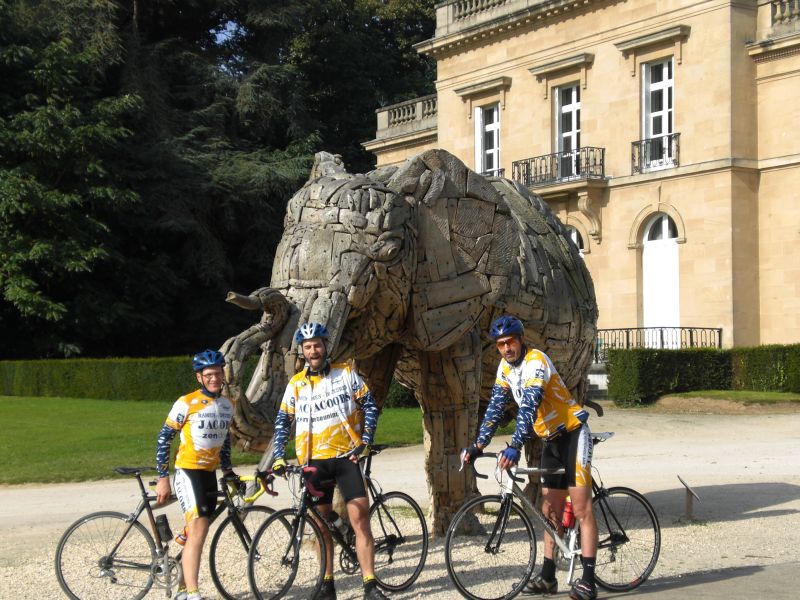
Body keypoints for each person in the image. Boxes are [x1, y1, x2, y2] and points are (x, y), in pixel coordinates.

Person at [462, 315, 599, 600]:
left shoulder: (536, 361)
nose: (506, 348)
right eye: (500, 344)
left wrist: (514, 445)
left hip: (573, 433)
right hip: (550, 439)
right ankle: (548, 577)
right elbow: (496, 408)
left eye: (510, 341)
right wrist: (477, 444)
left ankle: (588, 580)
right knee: (549, 510)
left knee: (582, 508)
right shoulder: (505, 369)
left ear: (520, 340)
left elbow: (528, 405)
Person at [270, 322, 389, 600]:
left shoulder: (345, 374)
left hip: (346, 457)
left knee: (361, 520)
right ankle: (327, 582)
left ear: (326, 347)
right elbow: (283, 420)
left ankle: (370, 584)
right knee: (322, 523)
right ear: (303, 351)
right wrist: (278, 455)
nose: (314, 351)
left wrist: (365, 442)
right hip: (314, 461)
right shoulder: (296, 384)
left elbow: (369, 404)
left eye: (318, 345)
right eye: (308, 347)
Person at [155, 349, 236, 600]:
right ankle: (191, 593)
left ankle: (177, 573)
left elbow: (225, 442)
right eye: (209, 374)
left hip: (209, 474)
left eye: (218, 373)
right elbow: (164, 439)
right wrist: (162, 477)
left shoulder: (227, 405)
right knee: (199, 529)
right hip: (188, 472)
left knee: (197, 529)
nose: (214, 378)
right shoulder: (186, 402)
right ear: (199, 378)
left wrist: (228, 471)